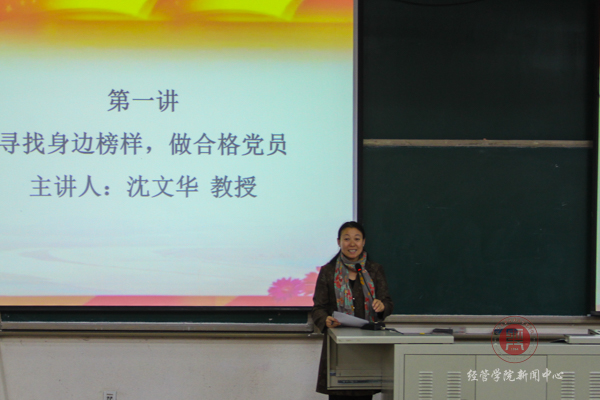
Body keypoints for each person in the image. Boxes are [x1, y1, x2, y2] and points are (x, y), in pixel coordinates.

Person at [311, 221, 394, 400]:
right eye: (346, 239)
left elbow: (387, 302)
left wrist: (382, 306)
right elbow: (318, 308)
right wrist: (325, 319)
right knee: (339, 393)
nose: (352, 243)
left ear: (363, 242)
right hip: (338, 345)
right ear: (339, 242)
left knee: (364, 394)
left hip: (367, 345)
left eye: (356, 239)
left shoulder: (374, 270)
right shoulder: (328, 271)